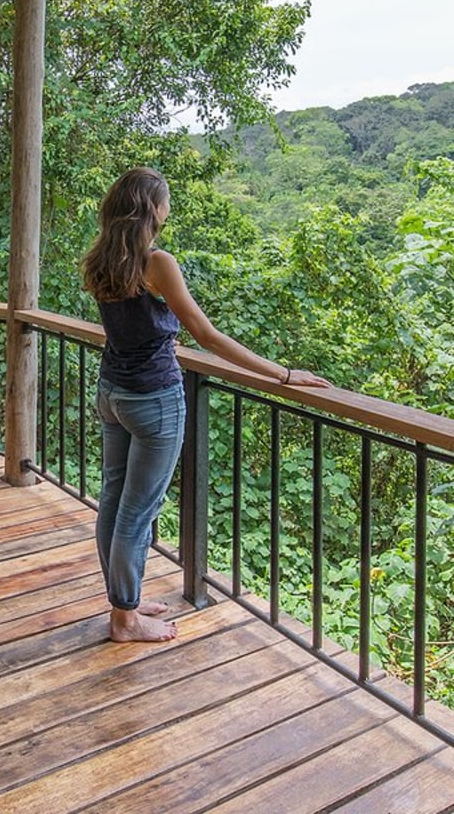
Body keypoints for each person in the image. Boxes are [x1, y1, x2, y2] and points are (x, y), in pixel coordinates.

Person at [81, 167, 331, 643]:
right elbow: (206, 334)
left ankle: (124, 601)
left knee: (113, 501)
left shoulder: (102, 259)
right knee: (136, 511)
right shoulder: (156, 262)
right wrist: (282, 373)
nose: (169, 208)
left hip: (112, 393)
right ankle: (124, 619)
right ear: (153, 210)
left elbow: (129, 325)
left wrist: (158, 337)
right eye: (166, 200)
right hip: (153, 400)